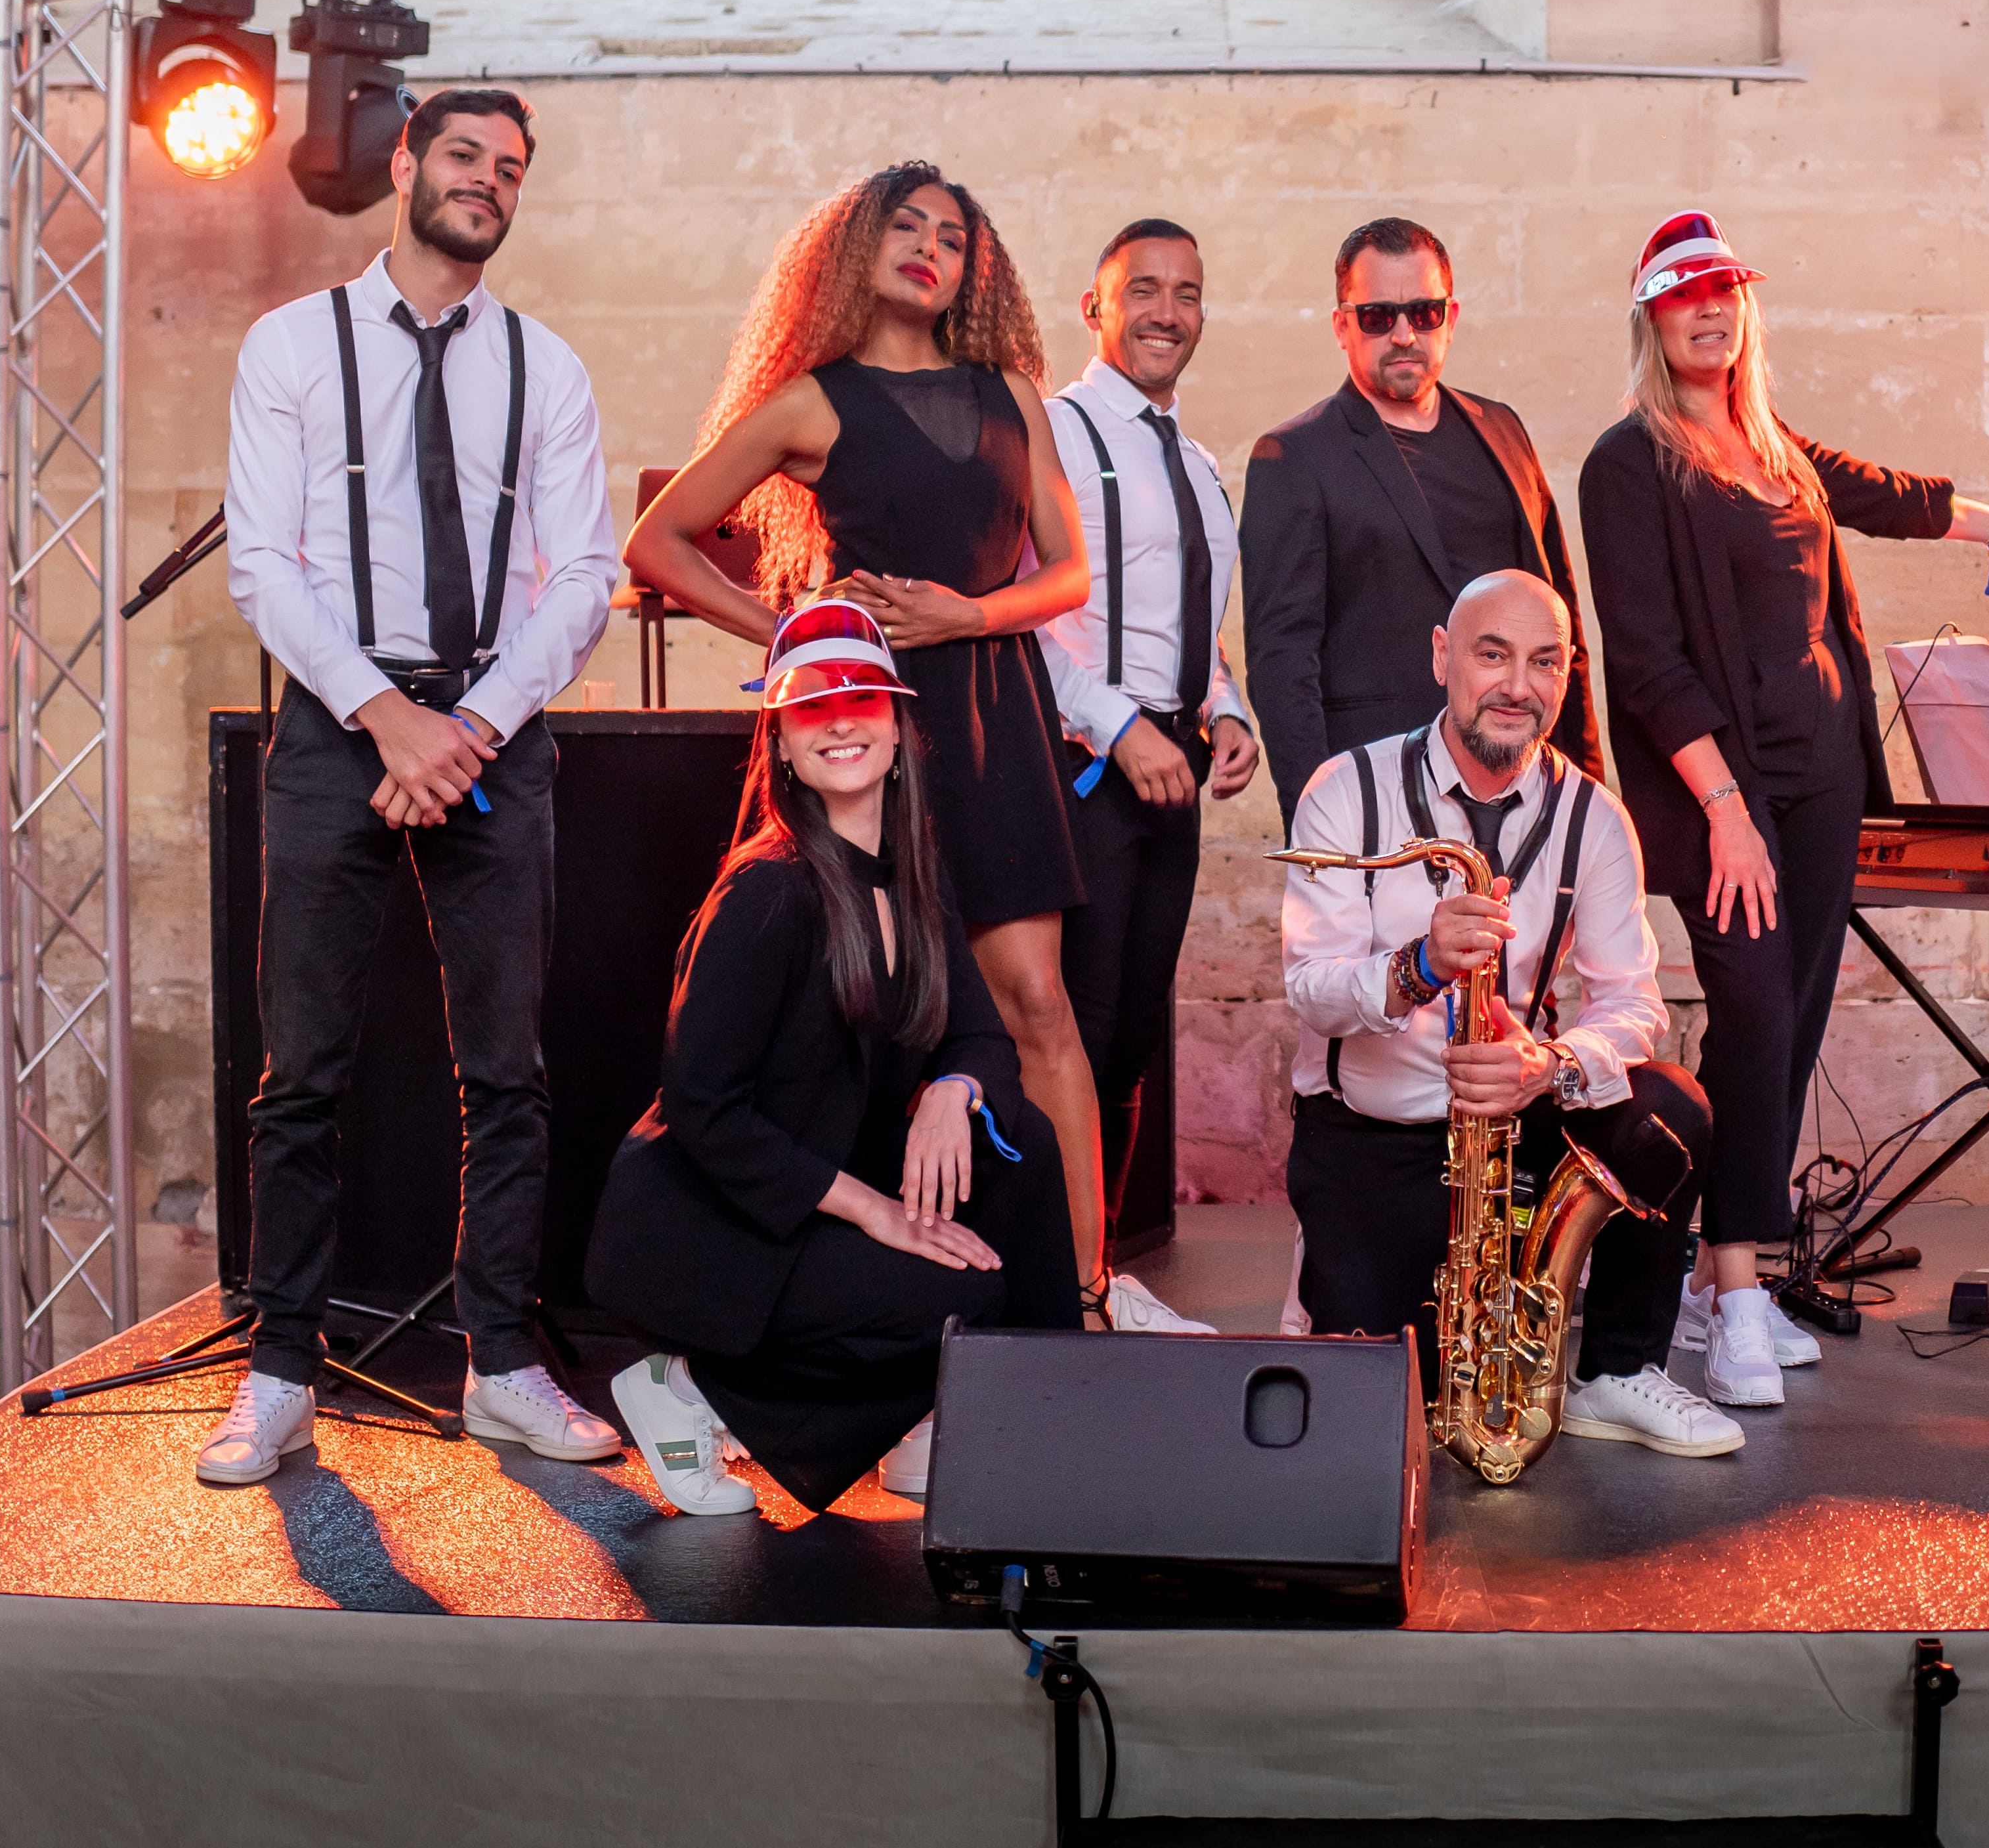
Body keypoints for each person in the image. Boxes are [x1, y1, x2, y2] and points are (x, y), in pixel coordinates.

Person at [628, 161, 1144, 1325]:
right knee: (858, 1017)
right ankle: (871, 1300)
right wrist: (805, 643)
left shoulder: (1013, 388)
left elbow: (1070, 573)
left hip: (995, 713)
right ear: (853, 250)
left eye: (952, 236)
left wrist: (968, 613)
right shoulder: (812, 400)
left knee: (1040, 1007)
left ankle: (1083, 1293)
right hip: (868, 733)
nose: (928, 247)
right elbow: (655, 544)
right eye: (902, 226)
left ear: (976, 267)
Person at [1573, 211, 1989, 1408]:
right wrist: (1725, 807)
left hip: (1826, 776)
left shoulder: (1773, 446)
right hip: (1725, 792)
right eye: (1686, 295)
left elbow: (1882, 494)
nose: (1711, 310)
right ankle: (1741, 1289)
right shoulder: (1629, 461)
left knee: (1792, 1025)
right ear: (1651, 318)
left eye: (1727, 292)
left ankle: (1712, 1283)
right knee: (1746, 1016)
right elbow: (1643, 660)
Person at [205, 86, 624, 1486]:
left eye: (511, 167)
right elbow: (261, 560)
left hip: (494, 727)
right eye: (463, 156)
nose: (487, 182)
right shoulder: (291, 346)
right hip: (341, 719)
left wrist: (472, 727)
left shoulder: (546, 370)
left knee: (507, 1069)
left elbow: (584, 580)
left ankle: (503, 1359)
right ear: (404, 164)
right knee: (299, 1073)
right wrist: (388, 719)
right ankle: (279, 1371)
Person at [584, 601, 1079, 1519]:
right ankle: (689, 1390)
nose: (842, 719)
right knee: (948, 1294)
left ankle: (1032, 1421)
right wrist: (877, 1212)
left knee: (1019, 1141)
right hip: (719, 1223)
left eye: (862, 699)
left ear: (897, 731)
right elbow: (704, 1107)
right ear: (779, 745)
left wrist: (951, 1090)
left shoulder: (913, 879)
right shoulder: (768, 892)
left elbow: (978, 1035)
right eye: (812, 707)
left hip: (822, 1180)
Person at [1279, 571, 1738, 1459]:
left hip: (1513, 1120)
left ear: (1567, 675)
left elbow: (1633, 1002)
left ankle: (1615, 1371)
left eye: (1542, 663)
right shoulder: (1346, 790)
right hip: (1373, 1133)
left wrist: (1550, 1065)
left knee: (1672, 1111)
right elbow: (1309, 989)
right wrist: (1415, 966)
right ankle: (1326, 1281)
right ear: (1443, 657)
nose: (1517, 688)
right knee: (1385, 1421)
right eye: (1492, 655)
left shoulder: (1594, 818)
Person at [1037, 219, 1259, 1326]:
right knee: (1066, 1036)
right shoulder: (1056, 434)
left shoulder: (1201, 462)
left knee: (1128, 1041)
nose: (1168, 312)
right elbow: (1033, 619)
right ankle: (1052, 1281)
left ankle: (1099, 1270)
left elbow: (1189, 629)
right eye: (1145, 291)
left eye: (1188, 292)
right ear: (1096, 308)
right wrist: (1120, 726)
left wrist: (1226, 713)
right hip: (1084, 777)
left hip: (1170, 780)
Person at [1240, 217, 1598, 828]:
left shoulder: (1502, 429)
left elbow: (1560, 619)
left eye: (1424, 313)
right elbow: (1282, 661)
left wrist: (1584, 790)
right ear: (1343, 326)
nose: (1405, 333)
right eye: (1379, 316)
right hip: (1382, 795)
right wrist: (1317, 823)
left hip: (1526, 786)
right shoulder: (1294, 456)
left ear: (1450, 319)